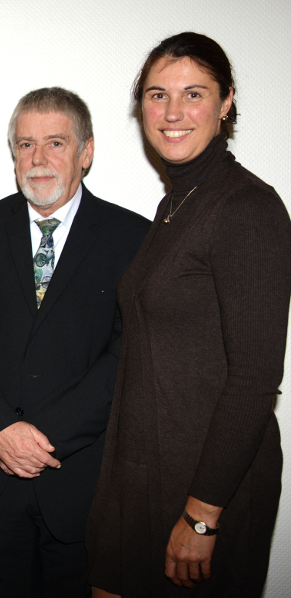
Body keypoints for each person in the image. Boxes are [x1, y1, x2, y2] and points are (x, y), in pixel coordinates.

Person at [86, 32, 291, 598]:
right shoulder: (176, 203)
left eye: (193, 94)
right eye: (157, 95)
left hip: (205, 483)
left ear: (226, 102)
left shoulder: (247, 207)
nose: (172, 113)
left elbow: (254, 379)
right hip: (143, 469)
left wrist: (202, 516)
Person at [0, 87, 149, 596]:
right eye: (25, 144)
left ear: (87, 152)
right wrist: (0, 430)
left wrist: (42, 436)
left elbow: (127, 352)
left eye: (55, 143)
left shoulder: (132, 236)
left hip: (79, 474)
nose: (38, 159)